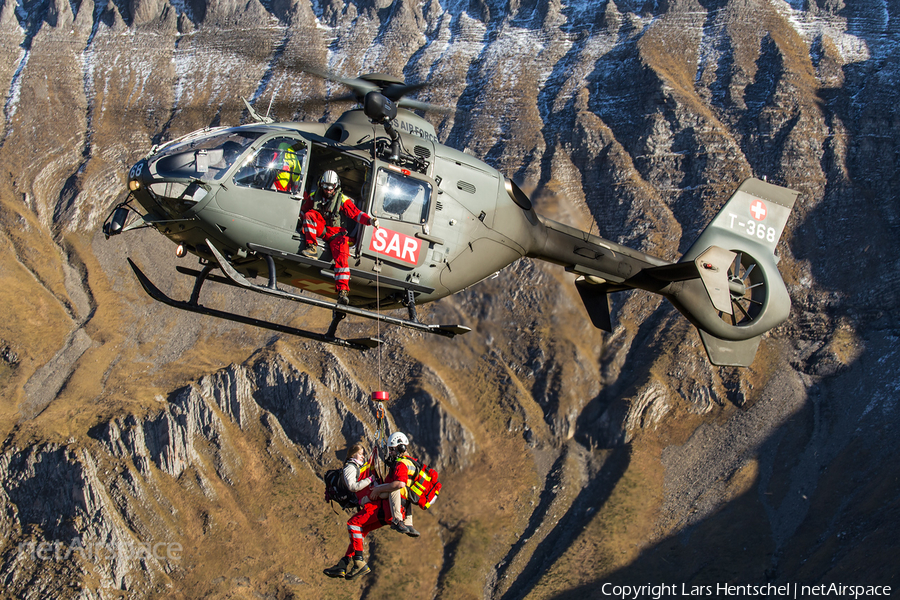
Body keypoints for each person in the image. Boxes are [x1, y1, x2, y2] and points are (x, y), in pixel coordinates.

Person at [300, 170, 379, 305]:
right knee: (309, 215)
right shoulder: (314, 197)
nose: (328, 190)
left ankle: (342, 291)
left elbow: (356, 213)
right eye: (325, 186)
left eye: (331, 187)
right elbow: (303, 211)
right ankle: (311, 246)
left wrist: (370, 221)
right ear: (321, 185)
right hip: (322, 229)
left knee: (342, 256)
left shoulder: (342, 199)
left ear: (336, 186)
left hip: (336, 233)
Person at [323, 443, 377, 579]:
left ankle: (343, 563)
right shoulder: (350, 468)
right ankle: (358, 560)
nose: (363, 456)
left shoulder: (356, 467)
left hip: (359, 499)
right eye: (360, 454)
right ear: (353, 455)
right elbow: (353, 487)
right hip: (356, 498)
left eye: (363, 454)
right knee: (354, 525)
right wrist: (370, 480)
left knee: (359, 533)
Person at [369, 432, 421, 538]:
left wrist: (378, 489)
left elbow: (399, 484)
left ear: (400, 448)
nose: (390, 452)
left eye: (392, 449)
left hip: (395, 492)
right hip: (406, 493)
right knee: (405, 493)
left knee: (395, 488)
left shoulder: (401, 464)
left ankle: (397, 520)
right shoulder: (412, 462)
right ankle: (408, 523)